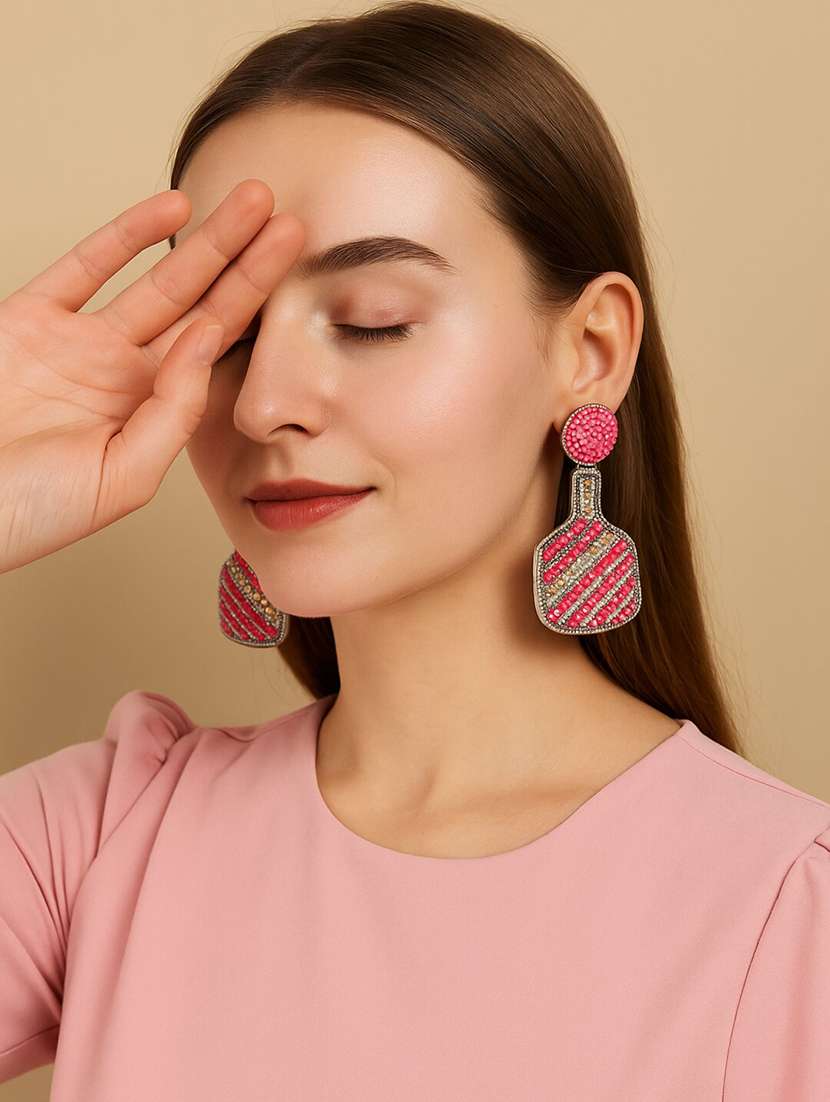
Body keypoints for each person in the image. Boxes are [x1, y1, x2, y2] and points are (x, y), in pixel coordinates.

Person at [1, 2, 828, 1098]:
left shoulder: (783, 913)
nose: (261, 405)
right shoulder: (98, 842)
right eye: (229, 332)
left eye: (371, 316)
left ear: (589, 349)